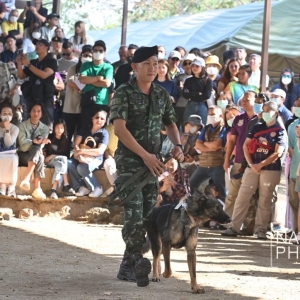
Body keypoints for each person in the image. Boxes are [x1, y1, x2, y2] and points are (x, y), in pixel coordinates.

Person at [110, 45, 184, 287]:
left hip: (153, 164)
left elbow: (171, 124)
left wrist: (178, 145)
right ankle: (133, 261)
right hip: (132, 162)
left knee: (145, 215)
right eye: (147, 64)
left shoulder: (161, 94)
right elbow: (119, 129)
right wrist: (144, 155)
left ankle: (127, 264)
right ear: (135, 67)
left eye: (155, 63)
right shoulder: (124, 92)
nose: (153, 68)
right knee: (133, 212)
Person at [222, 101, 286, 239]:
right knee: (242, 196)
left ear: (275, 113)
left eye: (268, 110)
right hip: (252, 167)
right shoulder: (256, 127)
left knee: (265, 199)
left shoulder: (280, 130)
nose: (264, 113)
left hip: (270, 169)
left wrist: (260, 165)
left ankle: (261, 230)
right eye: (263, 110)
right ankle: (234, 227)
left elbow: (278, 152)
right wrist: (251, 164)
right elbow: (245, 145)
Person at [223, 90, 257, 218]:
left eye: (247, 99)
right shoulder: (238, 118)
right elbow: (231, 141)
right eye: (243, 99)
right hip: (237, 161)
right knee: (232, 193)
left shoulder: (260, 118)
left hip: (254, 162)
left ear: (255, 101)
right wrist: (227, 160)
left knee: (251, 195)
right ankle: (226, 220)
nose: (244, 102)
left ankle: (247, 223)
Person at [17, 38, 57, 131]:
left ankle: (46, 143)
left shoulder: (51, 61)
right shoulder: (33, 62)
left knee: (46, 123)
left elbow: (44, 75)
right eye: (36, 44)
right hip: (32, 95)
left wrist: (28, 65)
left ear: (46, 48)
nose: (37, 46)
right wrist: (19, 64)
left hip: (45, 95)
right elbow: (21, 75)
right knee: (29, 123)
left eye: (40, 44)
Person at [68, 109, 109, 198]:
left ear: (105, 121)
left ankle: (96, 187)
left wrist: (82, 151)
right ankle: (81, 187)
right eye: (97, 117)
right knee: (69, 163)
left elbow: (100, 151)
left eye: (102, 119)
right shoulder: (85, 128)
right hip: (81, 156)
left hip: (96, 158)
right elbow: (76, 144)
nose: (99, 120)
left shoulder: (104, 133)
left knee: (81, 167)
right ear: (92, 118)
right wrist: (79, 156)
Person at [189, 105, 227, 200]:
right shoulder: (206, 128)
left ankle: (223, 213)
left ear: (221, 116)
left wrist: (204, 143)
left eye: (213, 114)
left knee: (221, 193)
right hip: (203, 165)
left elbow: (217, 145)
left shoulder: (224, 128)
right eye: (209, 114)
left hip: (217, 165)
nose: (210, 116)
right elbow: (198, 145)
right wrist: (212, 146)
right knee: (189, 187)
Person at [18, 102, 50, 200]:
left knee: (39, 153)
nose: (36, 113)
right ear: (29, 112)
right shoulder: (22, 125)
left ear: (42, 114)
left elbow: (41, 146)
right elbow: (23, 146)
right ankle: (37, 188)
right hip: (23, 155)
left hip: (35, 154)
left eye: (38, 111)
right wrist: (33, 142)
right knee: (38, 152)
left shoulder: (45, 128)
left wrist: (38, 142)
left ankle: (27, 180)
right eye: (34, 111)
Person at [63, 45, 92, 143]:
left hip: (83, 109)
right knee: (67, 135)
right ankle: (65, 155)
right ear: (80, 56)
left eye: (89, 56)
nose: (87, 58)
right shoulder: (73, 68)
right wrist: (82, 90)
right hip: (70, 107)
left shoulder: (92, 71)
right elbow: (70, 83)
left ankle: (76, 156)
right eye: (85, 55)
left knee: (80, 136)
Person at [79, 40, 113, 122]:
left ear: (104, 53)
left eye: (101, 51)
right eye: (96, 50)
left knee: (99, 130)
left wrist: (89, 80)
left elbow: (107, 83)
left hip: (101, 103)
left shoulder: (108, 67)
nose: (98, 52)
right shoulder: (86, 65)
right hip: (87, 101)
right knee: (85, 128)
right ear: (93, 52)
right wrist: (98, 78)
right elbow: (82, 79)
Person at [44, 119, 75, 199]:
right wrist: (50, 156)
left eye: (61, 128)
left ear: (64, 129)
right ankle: (66, 184)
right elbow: (44, 153)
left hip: (59, 163)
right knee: (62, 160)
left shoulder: (66, 141)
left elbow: (67, 157)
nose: (59, 130)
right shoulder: (49, 137)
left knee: (60, 164)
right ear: (54, 128)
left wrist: (54, 156)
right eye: (57, 127)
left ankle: (53, 189)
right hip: (49, 161)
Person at [182, 58, 212, 125]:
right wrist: (198, 93)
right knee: (187, 127)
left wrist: (191, 95)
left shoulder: (207, 80)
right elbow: (185, 94)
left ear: (202, 67)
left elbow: (207, 95)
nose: (194, 68)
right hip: (190, 105)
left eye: (197, 66)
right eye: (193, 66)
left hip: (202, 105)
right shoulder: (188, 80)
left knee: (201, 127)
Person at [0, 104, 19, 197]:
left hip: (10, 152)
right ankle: (2, 185)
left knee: (13, 159)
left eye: (9, 113)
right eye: (4, 113)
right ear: (0, 115)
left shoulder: (15, 128)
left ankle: (11, 187)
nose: (7, 116)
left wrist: (7, 129)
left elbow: (8, 143)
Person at [174, 53, 196, 130]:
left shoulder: (199, 78)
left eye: (190, 63)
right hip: (180, 106)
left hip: (193, 106)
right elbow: (175, 91)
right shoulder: (179, 77)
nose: (188, 65)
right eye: (185, 63)